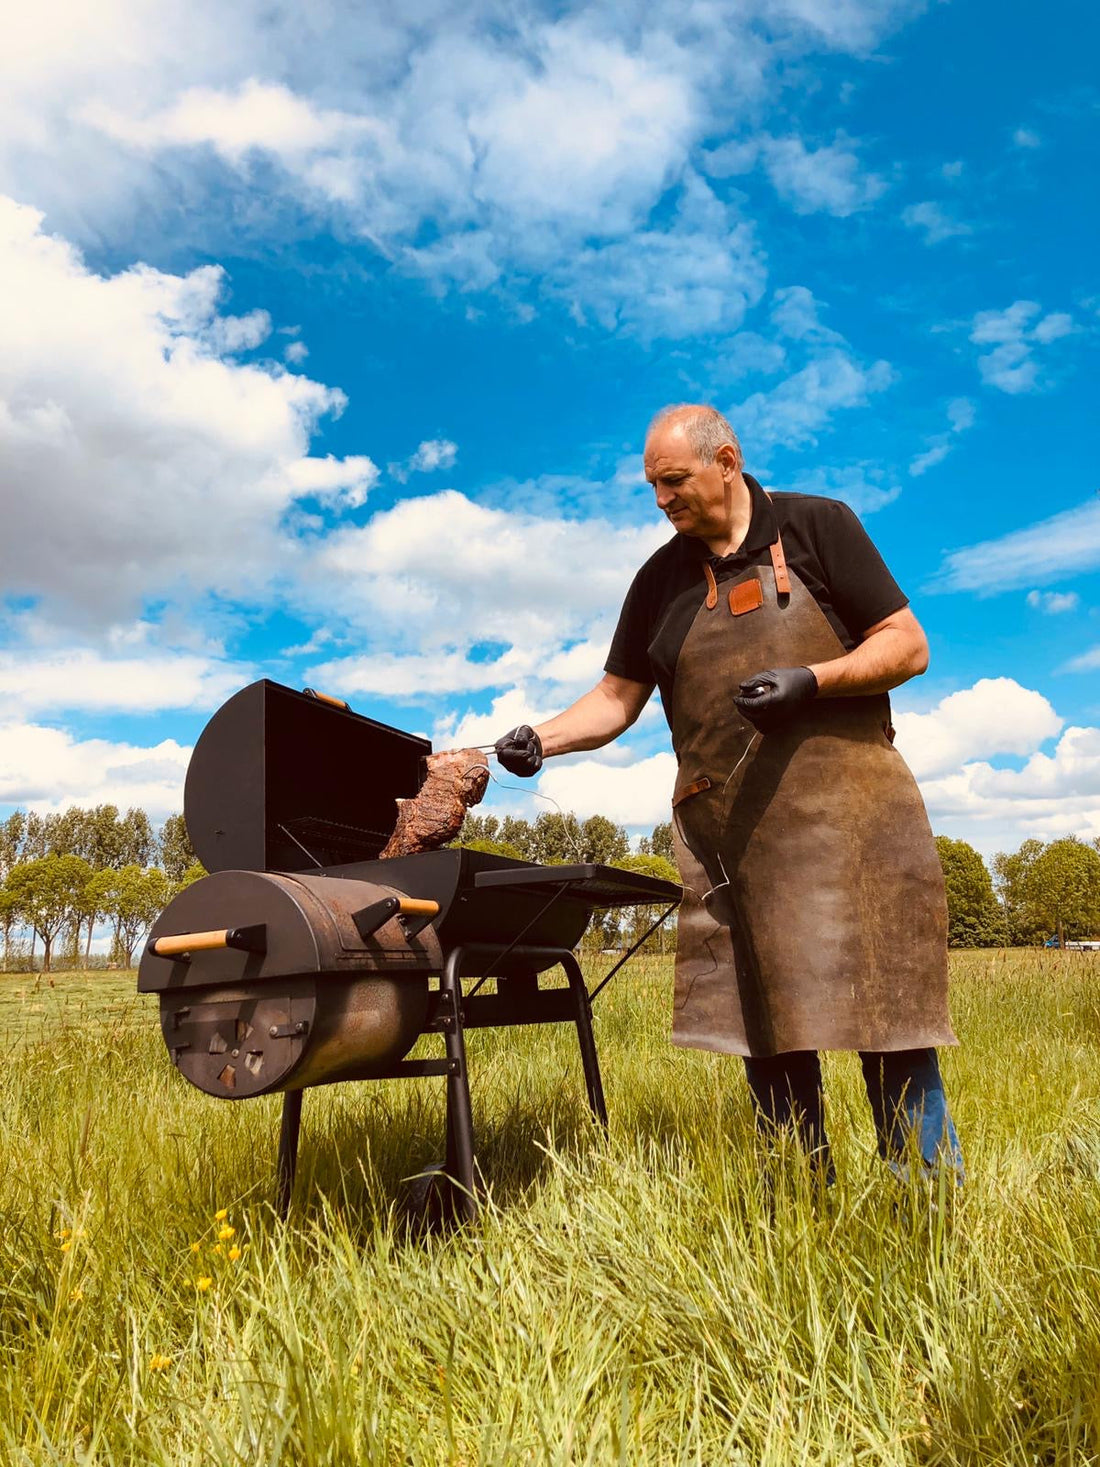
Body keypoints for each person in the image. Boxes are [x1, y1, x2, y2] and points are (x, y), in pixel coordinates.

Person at [495, 404, 962, 1182]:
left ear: (726, 460)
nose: (661, 500)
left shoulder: (817, 527)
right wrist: (540, 737)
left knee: (889, 1024)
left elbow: (906, 644)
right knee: (769, 1037)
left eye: (672, 480)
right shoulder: (659, 581)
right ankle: (797, 1209)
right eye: (651, 485)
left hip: (854, 833)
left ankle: (926, 1211)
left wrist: (812, 681)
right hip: (736, 845)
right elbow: (616, 698)